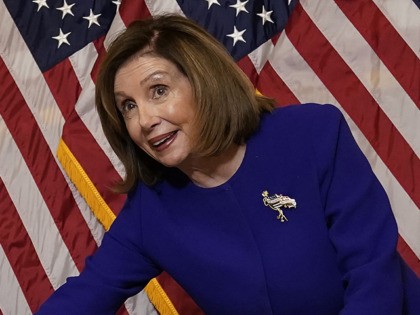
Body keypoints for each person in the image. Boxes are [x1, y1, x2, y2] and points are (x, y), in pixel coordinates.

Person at [37, 14, 420, 314]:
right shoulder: (148, 213)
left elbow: (374, 275)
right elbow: (86, 296)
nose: (144, 119)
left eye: (159, 90)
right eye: (128, 106)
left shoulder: (313, 134)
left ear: (205, 82)